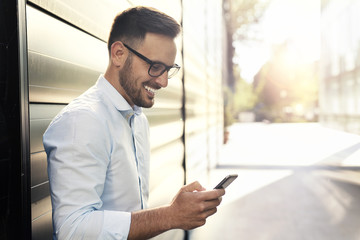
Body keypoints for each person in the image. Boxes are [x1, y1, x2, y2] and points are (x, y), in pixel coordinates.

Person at [43, 6, 225, 240]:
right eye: (155, 66)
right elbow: (73, 230)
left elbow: (127, 215)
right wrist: (169, 216)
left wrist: (174, 210)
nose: (162, 82)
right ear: (118, 53)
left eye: (168, 70)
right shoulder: (82, 121)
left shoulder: (137, 118)